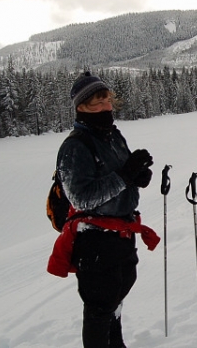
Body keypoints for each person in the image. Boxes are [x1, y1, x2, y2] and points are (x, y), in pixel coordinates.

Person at [47, 71, 160, 348]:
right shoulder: (75, 146)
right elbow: (82, 198)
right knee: (99, 310)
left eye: (106, 99)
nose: (104, 107)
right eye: (95, 103)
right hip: (96, 242)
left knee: (115, 300)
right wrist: (125, 175)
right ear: (81, 107)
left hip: (121, 235)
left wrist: (136, 178)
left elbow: (119, 176)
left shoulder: (112, 136)